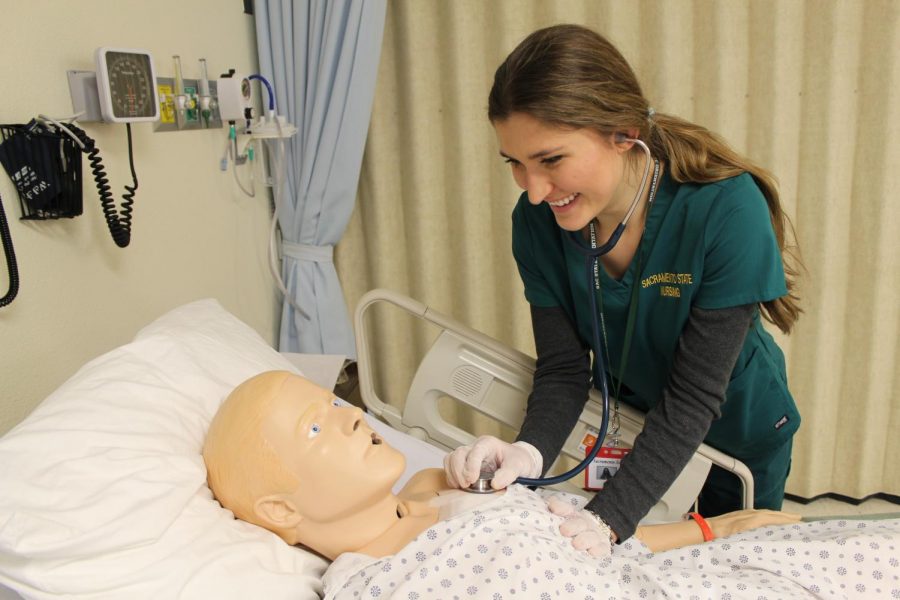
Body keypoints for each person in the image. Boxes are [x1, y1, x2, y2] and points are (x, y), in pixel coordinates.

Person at [444, 23, 804, 555]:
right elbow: (565, 369)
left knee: (724, 560)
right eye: (516, 164)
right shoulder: (537, 225)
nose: (536, 191)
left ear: (622, 131)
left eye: (551, 160)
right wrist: (528, 452)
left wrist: (607, 520)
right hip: (636, 431)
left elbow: (694, 398)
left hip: (735, 435)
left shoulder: (725, 210)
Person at [202, 371, 898, 600]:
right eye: (317, 430)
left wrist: (718, 528)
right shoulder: (374, 586)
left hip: (672, 573)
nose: (351, 414)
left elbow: (593, 547)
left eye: (335, 403)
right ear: (277, 508)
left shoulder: (428, 487)